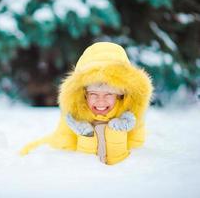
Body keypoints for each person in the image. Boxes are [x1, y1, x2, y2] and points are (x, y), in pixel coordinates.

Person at [20, 42, 153, 165]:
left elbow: (133, 153)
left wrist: (118, 132)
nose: (101, 101)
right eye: (94, 94)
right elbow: (67, 151)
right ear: (84, 94)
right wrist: (86, 135)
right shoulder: (75, 115)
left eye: (108, 94)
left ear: (120, 95)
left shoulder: (130, 115)